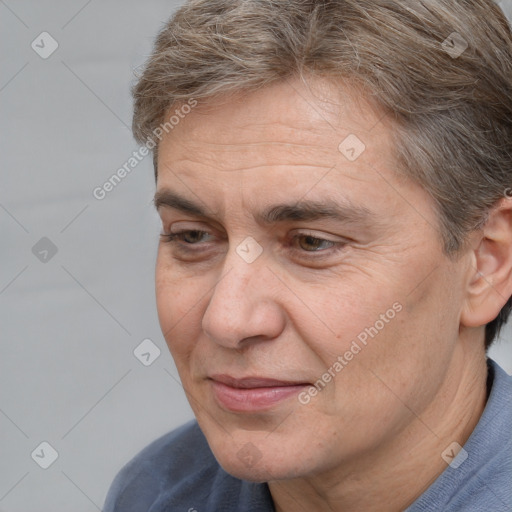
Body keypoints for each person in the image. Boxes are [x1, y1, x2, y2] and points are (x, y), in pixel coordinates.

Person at [104, 1, 512, 510]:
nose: (226, 320)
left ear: (487, 263)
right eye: (192, 237)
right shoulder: (157, 492)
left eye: (312, 242)